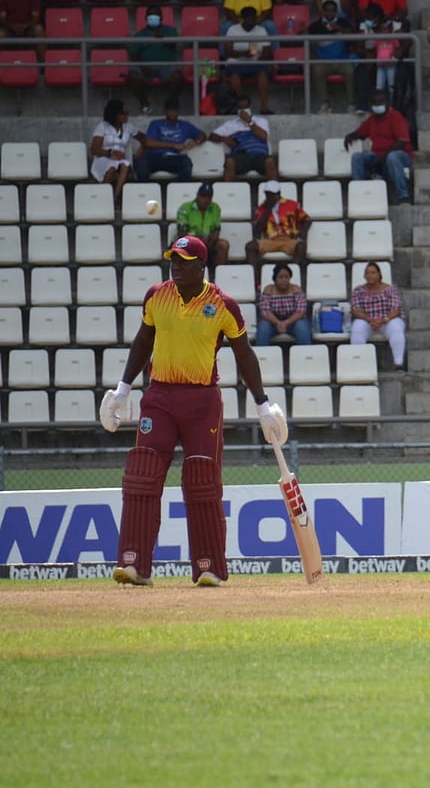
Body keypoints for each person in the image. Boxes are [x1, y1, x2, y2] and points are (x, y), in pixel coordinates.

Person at [99, 235, 287, 588]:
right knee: (143, 475)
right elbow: (143, 340)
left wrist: (262, 404)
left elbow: (244, 353)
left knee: (202, 481)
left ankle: (208, 566)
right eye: (173, 258)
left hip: (202, 402)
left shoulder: (223, 304)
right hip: (160, 396)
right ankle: (134, 563)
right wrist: (123, 389)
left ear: (202, 266)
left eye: (184, 260)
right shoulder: (157, 295)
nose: (176, 265)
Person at [344, 89, 415, 203]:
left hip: (401, 155)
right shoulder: (372, 119)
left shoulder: (396, 116)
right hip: (378, 155)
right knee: (357, 158)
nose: (378, 105)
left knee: (392, 157)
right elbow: (361, 132)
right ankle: (359, 195)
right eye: (375, 103)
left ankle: (403, 196)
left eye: (380, 102)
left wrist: (385, 156)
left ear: (387, 102)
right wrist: (349, 136)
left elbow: (403, 141)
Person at [127, 5, 184, 115]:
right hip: (146, 66)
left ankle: (171, 105)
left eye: (156, 15)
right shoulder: (139, 35)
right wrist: (143, 67)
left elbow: (174, 44)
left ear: (161, 17)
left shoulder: (170, 31)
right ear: (146, 18)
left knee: (177, 77)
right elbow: (134, 55)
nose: (153, 17)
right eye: (150, 15)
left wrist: (164, 38)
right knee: (133, 76)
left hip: (167, 66)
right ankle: (145, 105)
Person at [246, 180, 311, 276]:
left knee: (301, 246)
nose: (269, 197)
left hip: (288, 239)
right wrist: (268, 209)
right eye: (267, 194)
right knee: (250, 247)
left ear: (278, 194)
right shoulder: (261, 208)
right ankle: (256, 278)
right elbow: (258, 228)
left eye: (271, 194)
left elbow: (307, 220)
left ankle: (290, 276)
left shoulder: (292, 205)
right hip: (270, 240)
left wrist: (302, 232)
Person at [133, 98, 207, 183]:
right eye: (169, 110)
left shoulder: (185, 125)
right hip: (155, 157)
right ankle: (146, 193)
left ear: (178, 111)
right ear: (165, 111)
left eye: (175, 110)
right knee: (141, 163)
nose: (172, 113)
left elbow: (203, 135)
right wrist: (173, 145)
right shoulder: (155, 123)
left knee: (186, 163)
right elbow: (148, 143)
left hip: (174, 157)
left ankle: (180, 192)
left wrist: (196, 142)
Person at [350, 260, 407, 370]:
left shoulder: (390, 289)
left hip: (387, 320)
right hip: (367, 321)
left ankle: (398, 363)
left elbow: (396, 310)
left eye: (373, 272)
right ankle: (359, 364)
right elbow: (356, 310)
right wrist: (371, 320)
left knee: (396, 327)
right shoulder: (358, 290)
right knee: (357, 328)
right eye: (367, 273)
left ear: (379, 274)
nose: (370, 275)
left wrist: (382, 321)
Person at [307, 0, 357, 114]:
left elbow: (353, 34)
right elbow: (303, 35)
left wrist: (339, 28)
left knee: (350, 71)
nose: (330, 13)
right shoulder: (316, 25)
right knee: (316, 70)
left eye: (332, 10)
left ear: (336, 11)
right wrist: (301, 30)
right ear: (323, 12)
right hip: (324, 62)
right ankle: (324, 104)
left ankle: (351, 104)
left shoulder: (343, 22)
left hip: (342, 61)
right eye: (327, 10)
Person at [210, 94, 278, 182]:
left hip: (260, 156)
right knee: (230, 162)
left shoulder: (261, 121)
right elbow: (212, 136)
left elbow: (263, 137)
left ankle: (273, 191)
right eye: (240, 108)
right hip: (241, 156)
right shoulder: (231, 124)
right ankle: (229, 192)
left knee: (270, 161)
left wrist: (249, 122)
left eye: (245, 107)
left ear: (250, 107)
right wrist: (224, 138)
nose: (243, 110)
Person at [223, 7, 274, 114]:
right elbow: (227, 51)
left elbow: (267, 51)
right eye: (248, 19)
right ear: (243, 18)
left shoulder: (261, 30)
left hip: (255, 61)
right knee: (235, 75)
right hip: (237, 61)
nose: (251, 21)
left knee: (263, 75)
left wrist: (260, 57)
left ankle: (264, 108)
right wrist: (243, 54)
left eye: (253, 19)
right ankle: (242, 108)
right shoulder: (233, 29)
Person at [175, 183, 231, 279]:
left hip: (208, 242)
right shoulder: (185, 208)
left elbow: (216, 231)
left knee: (223, 245)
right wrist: (197, 241)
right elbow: (181, 233)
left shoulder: (215, 208)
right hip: (188, 242)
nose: (206, 200)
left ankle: (218, 278)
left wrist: (209, 239)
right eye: (203, 196)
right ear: (197, 195)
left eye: (208, 197)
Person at [89, 99, 137, 203]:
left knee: (126, 165)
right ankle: (104, 198)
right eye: (124, 113)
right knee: (111, 169)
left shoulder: (129, 127)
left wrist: (140, 152)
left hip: (119, 160)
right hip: (103, 158)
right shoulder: (102, 126)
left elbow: (144, 139)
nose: (126, 115)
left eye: (127, 113)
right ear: (116, 114)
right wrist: (110, 153)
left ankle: (115, 198)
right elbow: (94, 149)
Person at [256, 262, 312, 345]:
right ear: (275, 279)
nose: (284, 280)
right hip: (273, 323)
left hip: (293, 322)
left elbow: (300, 312)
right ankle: (261, 355)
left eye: (286, 277)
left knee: (302, 327)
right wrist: (278, 323)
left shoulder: (296, 290)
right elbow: (265, 312)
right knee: (264, 327)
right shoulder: (268, 290)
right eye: (280, 277)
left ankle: (304, 354)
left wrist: (286, 323)